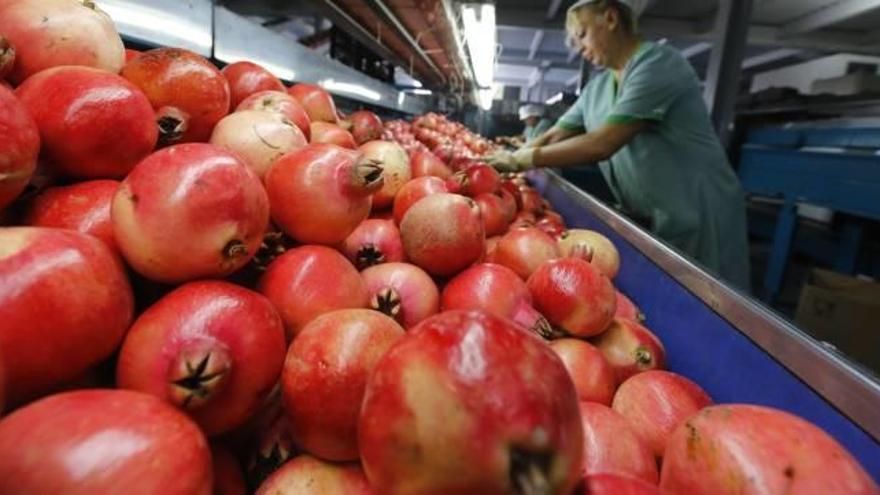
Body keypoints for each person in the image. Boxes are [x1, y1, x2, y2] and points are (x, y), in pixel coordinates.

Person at [488, 0, 750, 290]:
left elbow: (604, 143)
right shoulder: (596, 88)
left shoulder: (659, 65)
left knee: (714, 302)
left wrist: (521, 160)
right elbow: (555, 134)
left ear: (610, 18)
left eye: (583, 34)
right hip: (655, 211)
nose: (579, 48)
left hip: (700, 208)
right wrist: (515, 157)